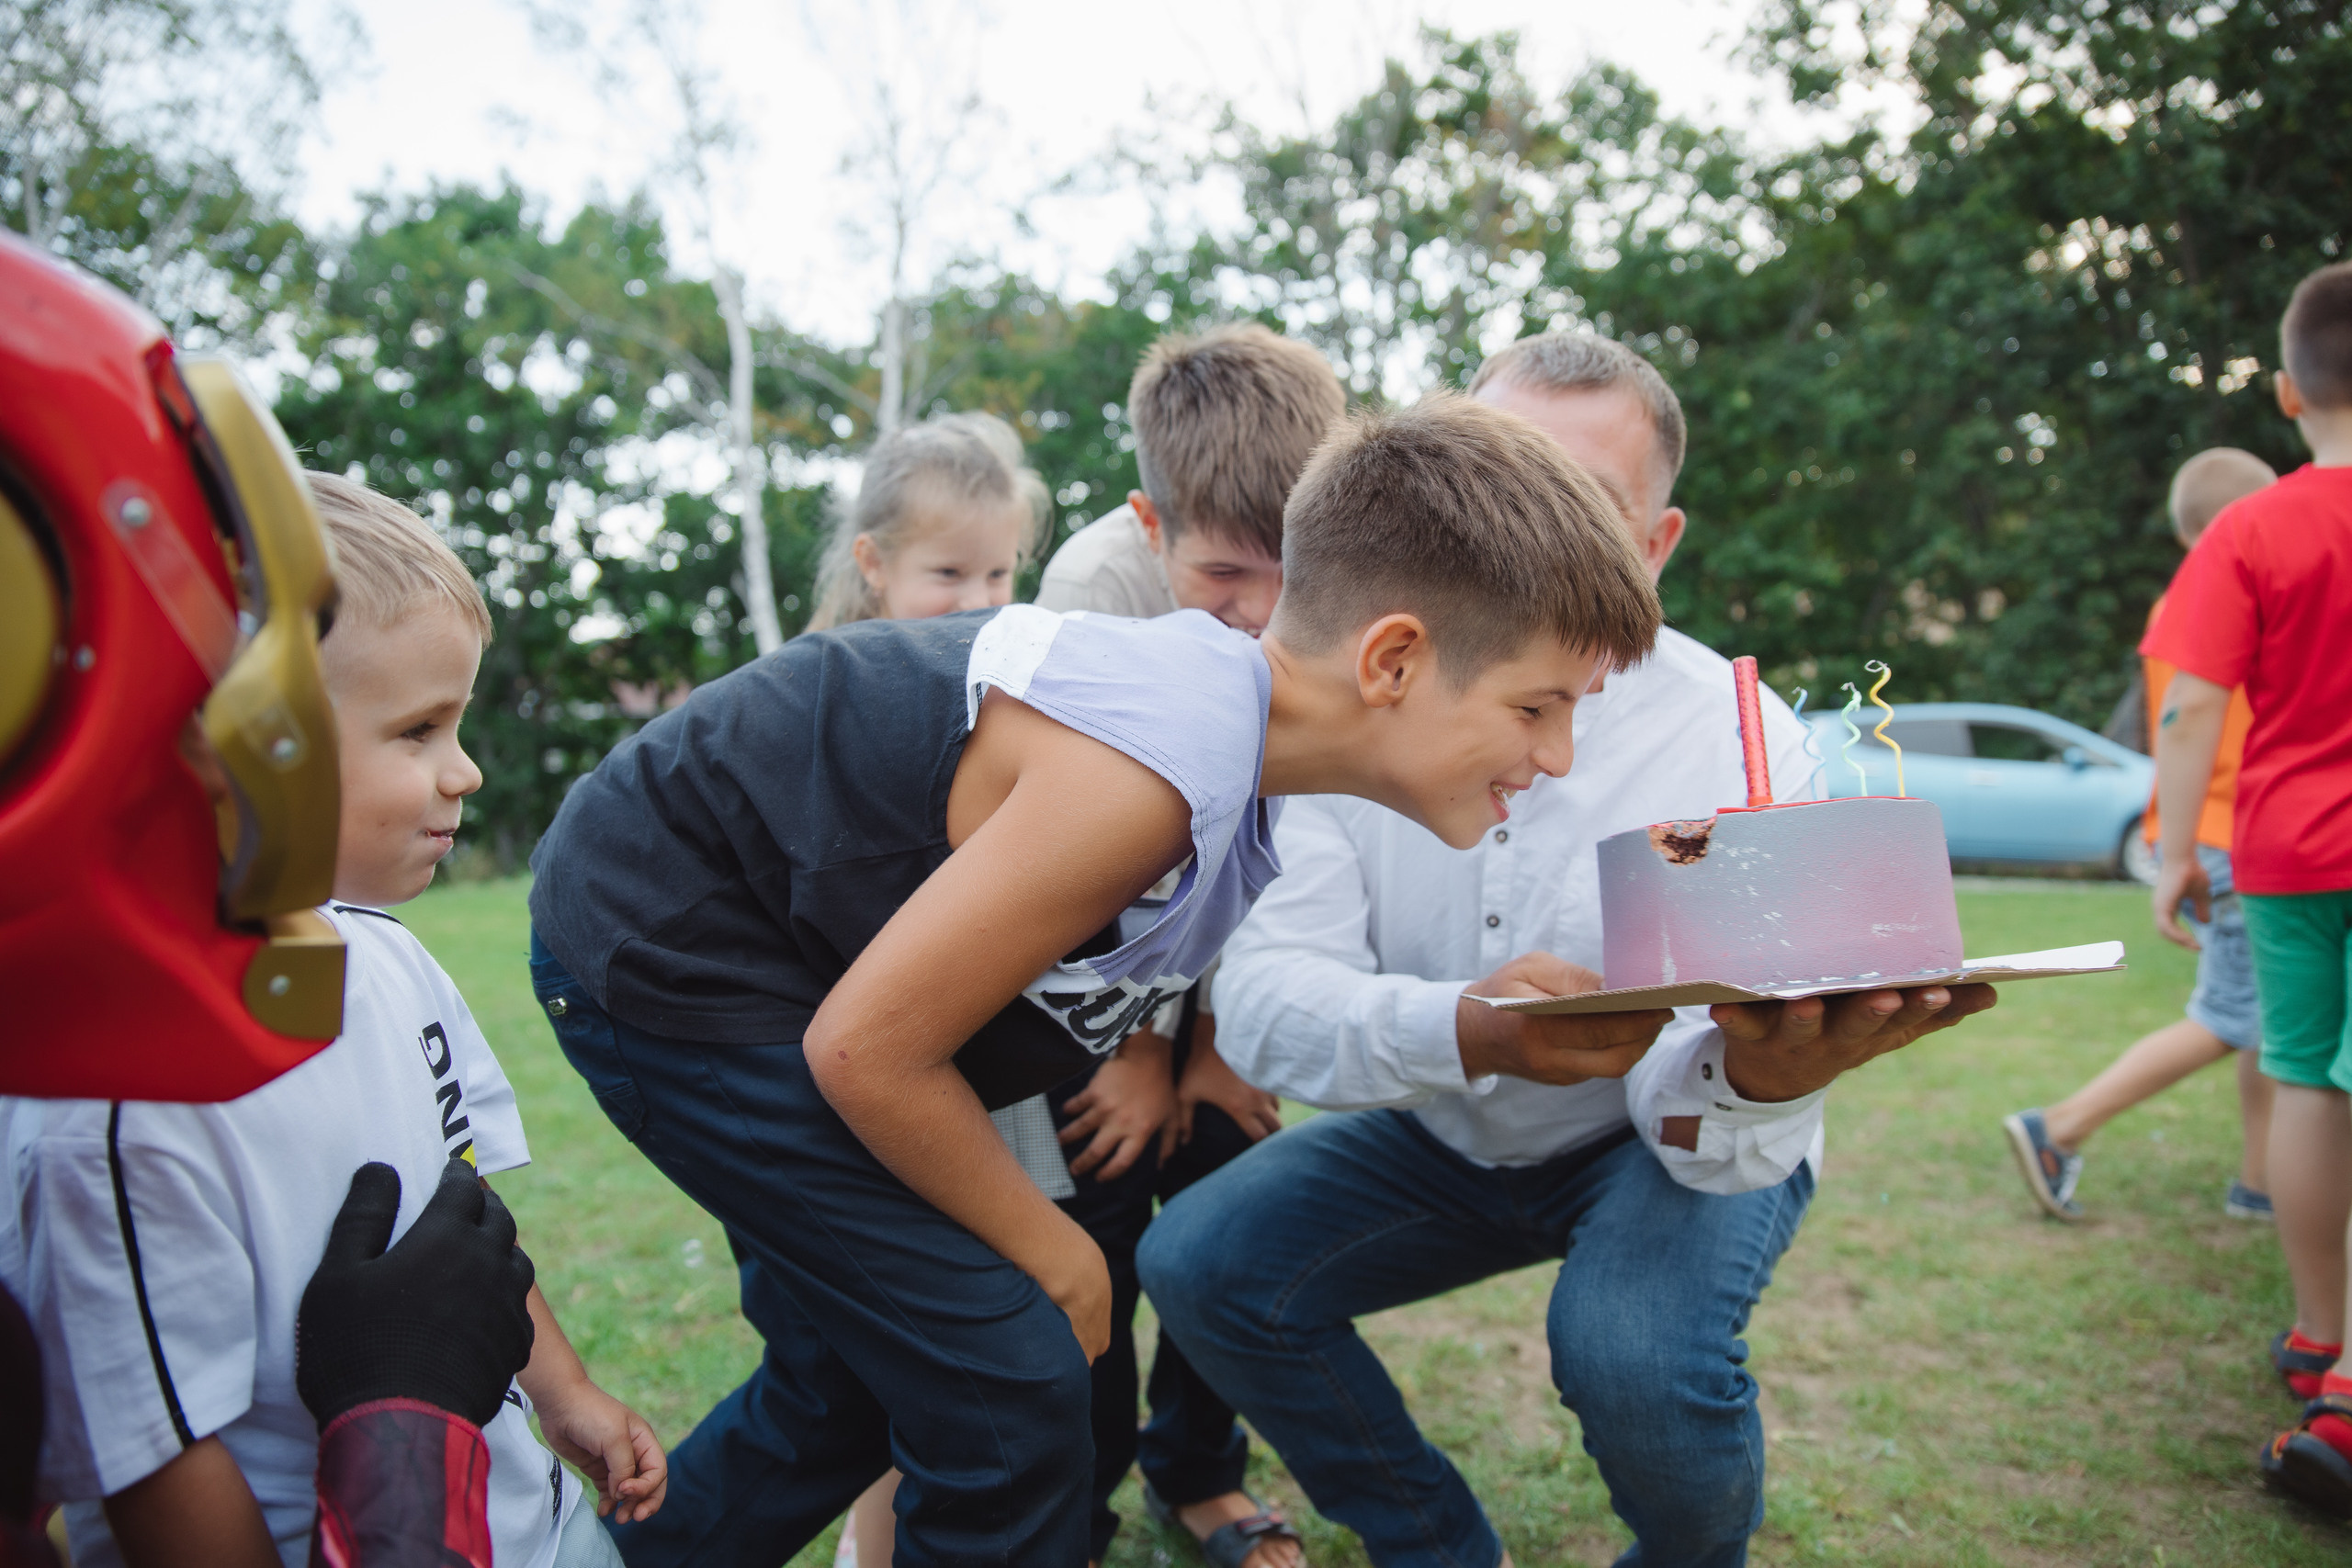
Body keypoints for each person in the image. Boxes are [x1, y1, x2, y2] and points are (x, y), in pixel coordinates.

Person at [523, 392, 1667, 1566]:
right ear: (1393, 660)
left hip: (798, 968)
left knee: (852, 1381)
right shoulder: (1151, 771)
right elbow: (868, 1054)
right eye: (1536, 706)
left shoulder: (1246, 756)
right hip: (670, 945)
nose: (1557, 755)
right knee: (1007, 1373)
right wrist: (1059, 1251)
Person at [1136, 331, 1999, 1568]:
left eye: (1576, 502)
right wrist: (1473, 1031)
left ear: (1656, 544)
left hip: (1667, 1137)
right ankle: (1439, 1548)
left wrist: (1769, 1071)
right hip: (1450, 1124)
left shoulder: (1736, 736)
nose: (1523, 528)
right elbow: (1267, 1000)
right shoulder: (1342, 697)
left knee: (1632, 1351)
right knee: (1201, 1260)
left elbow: (1734, 1061)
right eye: (1490, 481)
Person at [1, 475, 667, 1568]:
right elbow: (157, 1462)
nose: (465, 769)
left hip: (535, 1529)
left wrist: (564, 1391)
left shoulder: (390, 960)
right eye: (417, 730)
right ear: (231, 743)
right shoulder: (113, 1106)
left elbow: (464, 1221)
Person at [1028, 323, 1344, 1568]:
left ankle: (1200, 1467)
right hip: (1083, 973)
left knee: (1231, 1166)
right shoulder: (1089, 595)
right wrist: (1140, 1051)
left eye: (1289, 572)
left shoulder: (1346, 570)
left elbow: (1294, 822)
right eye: (1222, 573)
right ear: (1149, 525)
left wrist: (1213, 1043)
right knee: (1096, 1190)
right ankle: (1079, 1488)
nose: (1260, 611)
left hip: (1226, 958)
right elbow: (1085, 856)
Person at [790, 411, 1059, 1567]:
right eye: (948, 574)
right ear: (873, 563)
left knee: (987, 1318)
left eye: (1000, 573)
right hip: (861, 1070)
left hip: (978, 1066)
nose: (980, 599)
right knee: (885, 1350)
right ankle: (871, 1547)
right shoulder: (818, 696)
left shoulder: (1007, 696)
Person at [2143, 262, 2352, 1517]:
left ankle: (2321, 1336)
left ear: (2286, 392)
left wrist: (2176, 848)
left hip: (2286, 852)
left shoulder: (2252, 528)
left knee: (2310, 1073)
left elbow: (2190, 705)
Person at [2003, 447, 2278, 1223]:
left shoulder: (2177, 599)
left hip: (2210, 829)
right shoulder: (2240, 590)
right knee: (2229, 1015)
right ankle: (2060, 1126)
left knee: (2260, 1019)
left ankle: (2260, 1181)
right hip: (2238, 832)